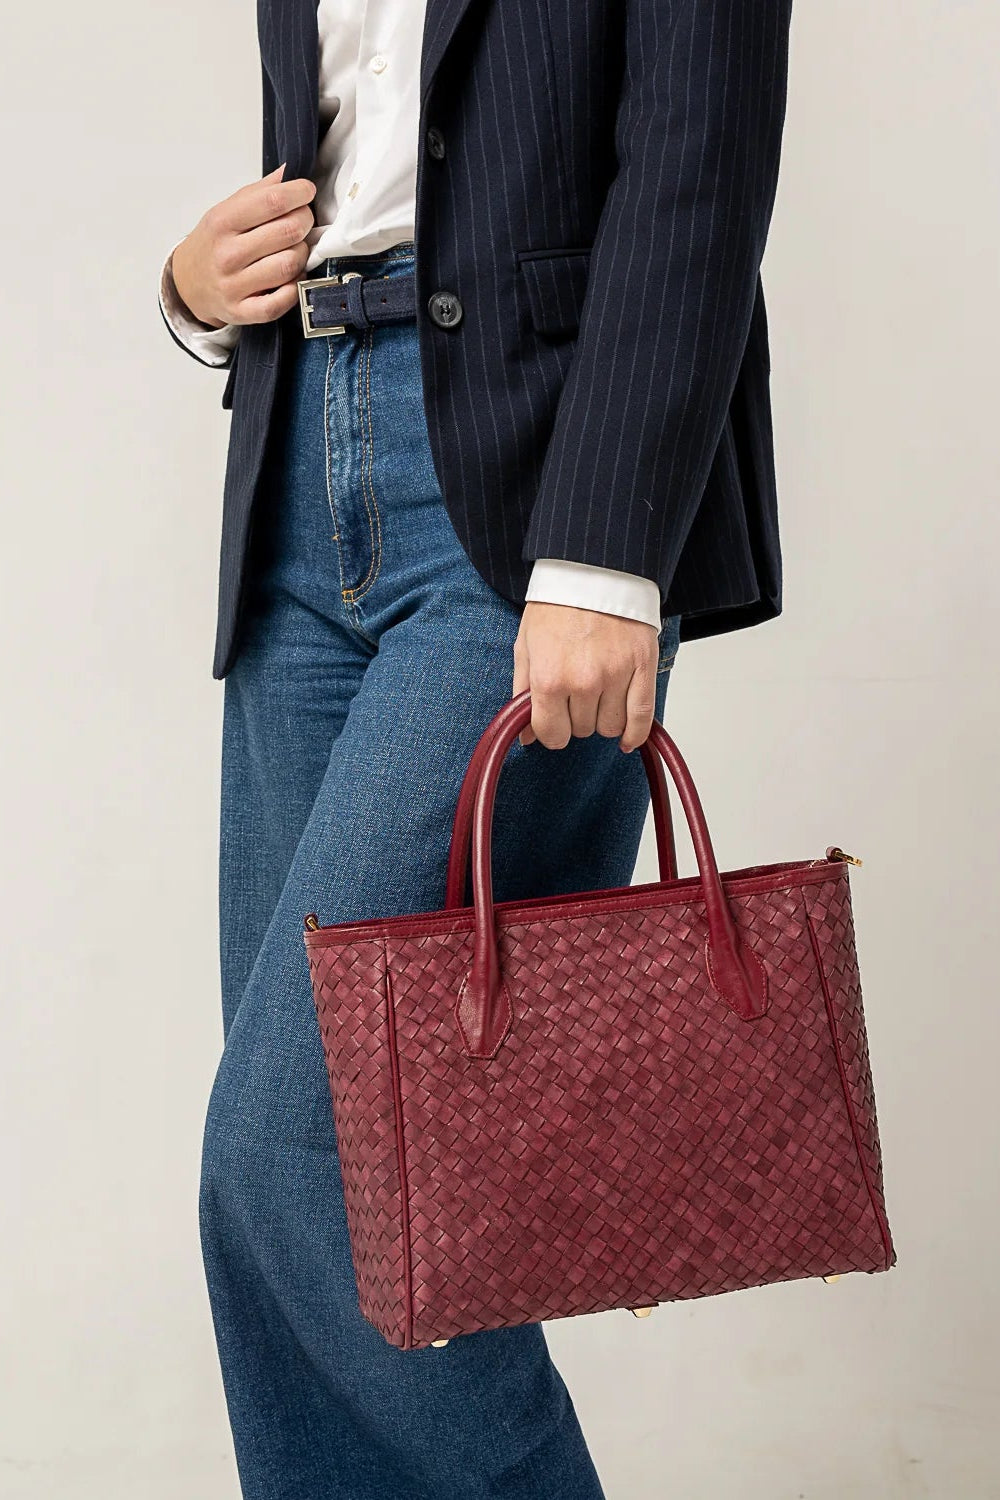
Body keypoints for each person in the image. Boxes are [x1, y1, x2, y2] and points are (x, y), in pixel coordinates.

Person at [159, 1, 793, 1495]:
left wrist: (604, 549)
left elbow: (699, 144)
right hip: (298, 459)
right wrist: (196, 290)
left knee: (299, 1156)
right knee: (338, 1182)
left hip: (524, 490)